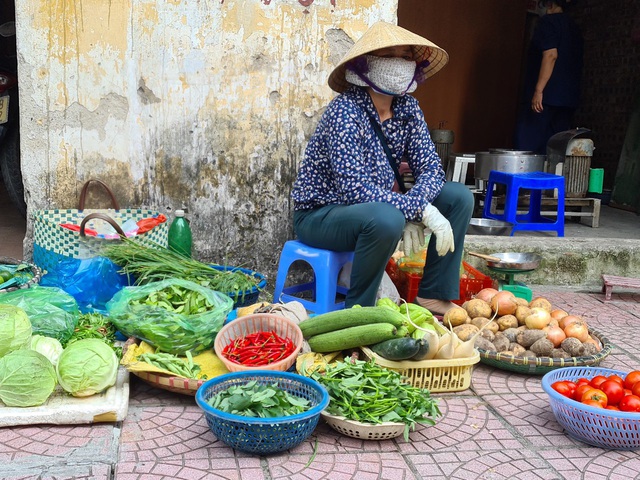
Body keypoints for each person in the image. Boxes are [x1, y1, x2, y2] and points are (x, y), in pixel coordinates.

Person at [290, 21, 474, 315]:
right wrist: (419, 210)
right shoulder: (345, 110)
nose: (400, 64)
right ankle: (359, 311)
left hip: (378, 208)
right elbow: (354, 189)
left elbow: (431, 169)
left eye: (406, 57)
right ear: (366, 64)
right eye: (391, 55)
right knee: (387, 218)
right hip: (321, 214)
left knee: (458, 197)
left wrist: (413, 205)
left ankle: (433, 293)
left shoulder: (408, 108)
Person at [514, 0, 584, 154]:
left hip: (544, 98)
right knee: (555, 150)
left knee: (527, 149)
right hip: (567, 100)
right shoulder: (575, 28)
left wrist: (538, 90)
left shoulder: (548, 22)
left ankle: (526, 178)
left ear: (550, 4)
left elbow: (551, 55)